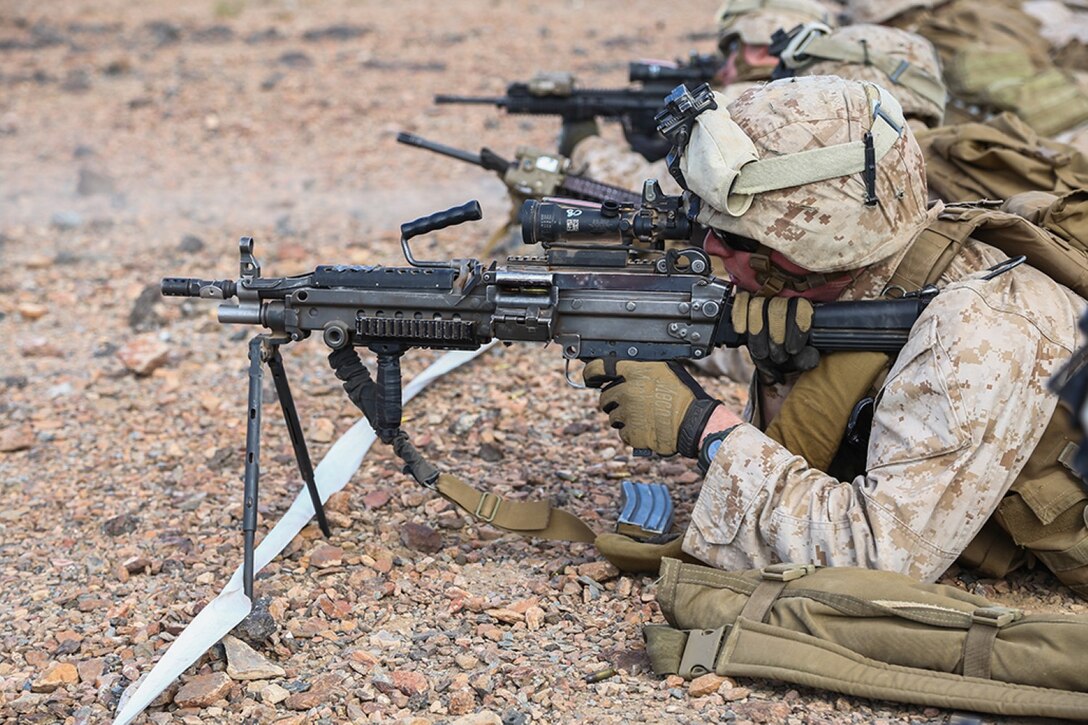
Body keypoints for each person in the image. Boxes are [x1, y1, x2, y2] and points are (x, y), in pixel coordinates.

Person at [584, 75, 1088, 595]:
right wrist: (780, 376)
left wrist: (706, 428)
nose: (713, 250)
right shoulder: (871, 280)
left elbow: (876, 562)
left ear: (821, 243)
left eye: (738, 237)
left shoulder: (979, 328)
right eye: (703, 226)